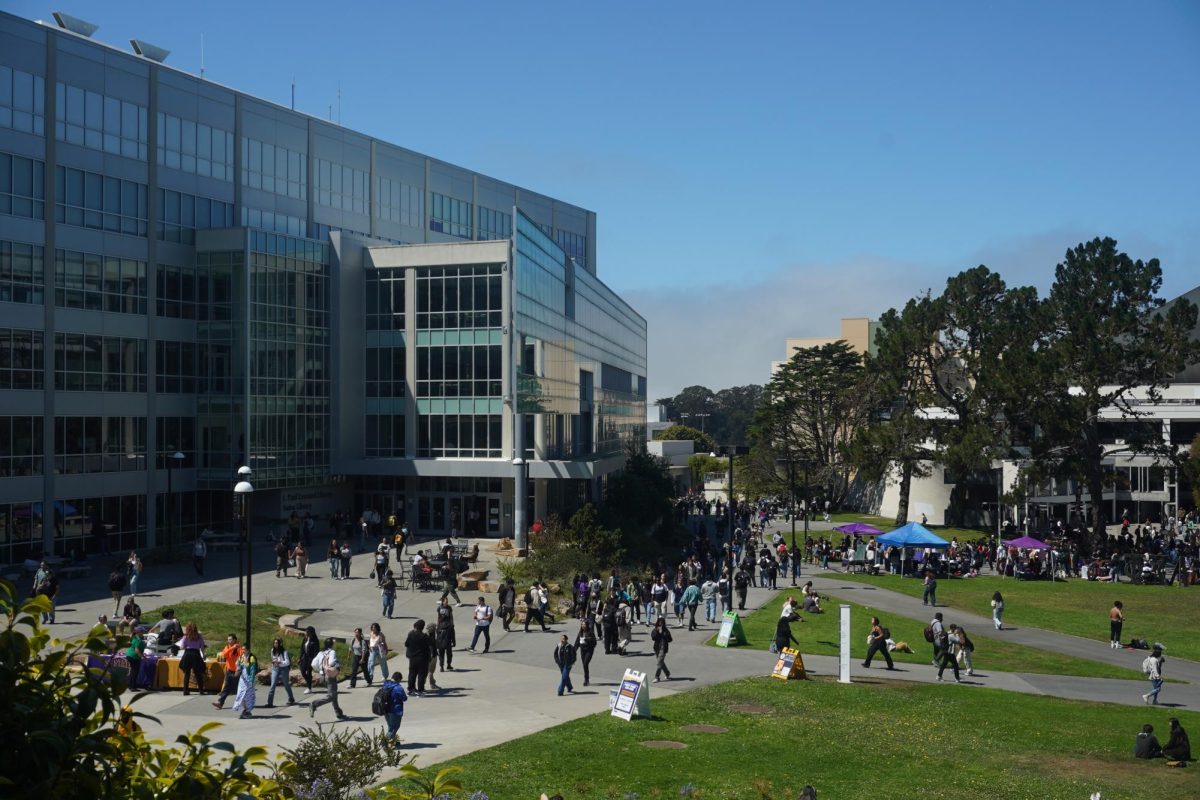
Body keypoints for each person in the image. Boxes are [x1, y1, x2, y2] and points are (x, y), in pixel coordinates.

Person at [308, 638, 347, 720]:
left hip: (322, 676)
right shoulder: (332, 652)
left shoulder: (320, 653)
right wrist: (336, 663)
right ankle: (314, 704)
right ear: (331, 645)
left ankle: (338, 713)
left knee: (334, 694)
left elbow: (313, 664)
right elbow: (331, 662)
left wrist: (321, 670)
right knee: (331, 696)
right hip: (330, 676)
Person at [212, 634, 244, 710]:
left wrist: (238, 670)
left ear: (235, 640)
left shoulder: (240, 649)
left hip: (237, 671)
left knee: (239, 688)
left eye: (230, 639)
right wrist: (232, 648)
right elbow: (224, 654)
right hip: (229, 670)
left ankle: (244, 703)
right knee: (227, 687)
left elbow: (241, 659)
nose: (229, 641)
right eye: (228, 639)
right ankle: (220, 703)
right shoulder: (228, 647)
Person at [404, 619, 434, 696]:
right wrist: (430, 634)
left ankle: (411, 689)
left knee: (412, 674)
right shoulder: (424, 636)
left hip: (412, 658)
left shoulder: (410, 634)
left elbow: (406, 644)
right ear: (422, 627)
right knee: (421, 674)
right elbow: (431, 643)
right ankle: (420, 690)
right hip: (422, 658)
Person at [381, 671, 408, 749]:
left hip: (386, 710)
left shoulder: (385, 685)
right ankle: (385, 742)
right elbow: (404, 698)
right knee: (394, 727)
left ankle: (393, 741)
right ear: (398, 679)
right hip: (395, 711)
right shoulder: (398, 688)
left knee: (390, 726)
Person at [265, 638, 296, 707]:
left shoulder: (284, 652)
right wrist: (274, 663)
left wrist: (280, 662)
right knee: (272, 685)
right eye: (274, 643)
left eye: (277, 643)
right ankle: (270, 703)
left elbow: (287, 662)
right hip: (275, 668)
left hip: (283, 669)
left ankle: (291, 699)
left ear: (280, 644)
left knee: (286, 685)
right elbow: (273, 658)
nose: (275, 644)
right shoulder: (272, 650)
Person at [178, 622, 207, 695]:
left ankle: (185, 690)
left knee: (187, 674)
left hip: (187, 654)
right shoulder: (199, 636)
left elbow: (182, 647)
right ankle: (201, 690)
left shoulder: (186, 637)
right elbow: (202, 647)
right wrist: (203, 655)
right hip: (196, 654)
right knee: (197, 673)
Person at [232, 648, 258, 719]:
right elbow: (238, 667)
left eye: (244, 649)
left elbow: (252, 669)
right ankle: (245, 709)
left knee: (248, 696)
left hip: (249, 679)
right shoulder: (241, 657)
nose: (243, 651)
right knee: (240, 694)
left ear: (248, 650)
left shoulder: (251, 658)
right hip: (242, 680)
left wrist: (251, 680)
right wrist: (237, 669)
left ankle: (248, 711)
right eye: (242, 649)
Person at [434, 598, 456, 671]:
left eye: (447, 602)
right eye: (445, 602)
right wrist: (454, 641)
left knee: (443, 653)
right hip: (446, 642)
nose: (446, 603)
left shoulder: (449, 608)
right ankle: (443, 666)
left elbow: (451, 616)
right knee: (445, 653)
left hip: (443, 641)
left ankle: (445, 665)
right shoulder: (439, 608)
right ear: (442, 602)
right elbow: (438, 617)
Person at [299, 626, 320, 694]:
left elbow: (316, 651)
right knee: (302, 671)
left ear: (311, 632)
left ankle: (309, 688)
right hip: (305, 658)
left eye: (307, 631)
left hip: (311, 658)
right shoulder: (305, 639)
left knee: (309, 672)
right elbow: (302, 649)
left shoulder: (315, 641)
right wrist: (300, 658)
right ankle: (309, 683)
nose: (306, 633)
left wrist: (313, 659)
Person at [576, 620, 597, 687]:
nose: (583, 626)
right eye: (582, 625)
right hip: (582, 651)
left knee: (585, 663)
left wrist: (586, 639)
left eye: (584, 624)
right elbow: (577, 643)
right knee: (584, 665)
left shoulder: (590, 632)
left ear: (587, 625)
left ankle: (586, 679)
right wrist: (573, 651)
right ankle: (587, 678)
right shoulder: (580, 633)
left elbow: (594, 642)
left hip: (589, 650)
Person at [651, 617, 673, 682]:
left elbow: (670, 639)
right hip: (657, 648)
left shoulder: (666, 630)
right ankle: (667, 673)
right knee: (661, 663)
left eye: (662, 622)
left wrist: (665, 634)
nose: (661, 624)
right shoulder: (655, 629)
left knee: (659, 662)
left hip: (663, 649)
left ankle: (657, 677)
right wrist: (657, 632)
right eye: (659, 622)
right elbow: (653, 638)